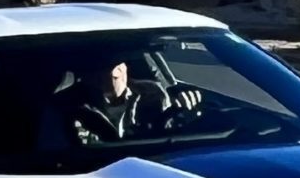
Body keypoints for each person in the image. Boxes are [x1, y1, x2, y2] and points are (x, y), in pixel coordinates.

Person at [61, 55, 201, 146]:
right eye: (90, 73)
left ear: (122, 68)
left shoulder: (152, 95)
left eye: (103, 71)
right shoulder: (71, 106)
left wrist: (185, 112)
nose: (96, 79)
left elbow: (167, 133)